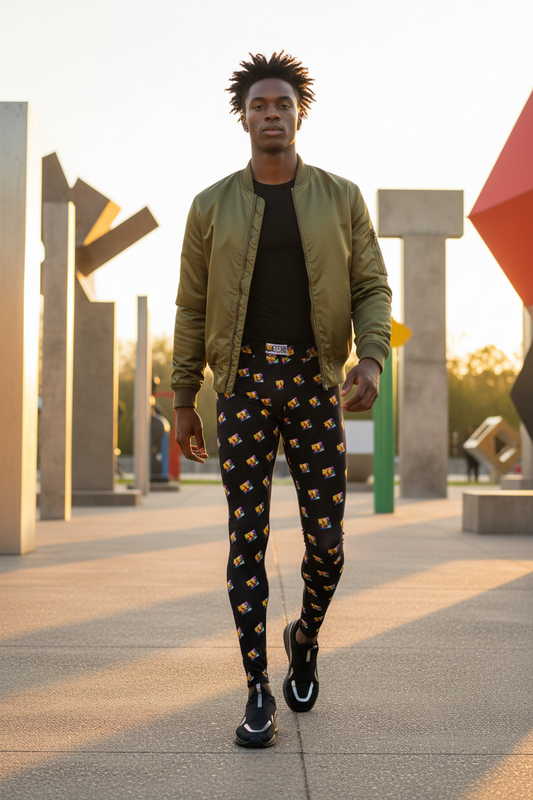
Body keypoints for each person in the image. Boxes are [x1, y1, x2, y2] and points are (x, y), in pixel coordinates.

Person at [171, 52, 392, 748]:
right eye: (260, 104)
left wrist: (373, 357)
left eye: (283, 104)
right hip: (240, 388)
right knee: (247, 540)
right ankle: (256, 689)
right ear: (243, 117)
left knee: (328, 546)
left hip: (312, 384)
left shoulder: (341, 197)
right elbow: (190, 305)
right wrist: (184, 396)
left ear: (300, 114)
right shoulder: (210, 206)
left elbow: (370, 287)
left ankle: (304, 636)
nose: (272, 113)